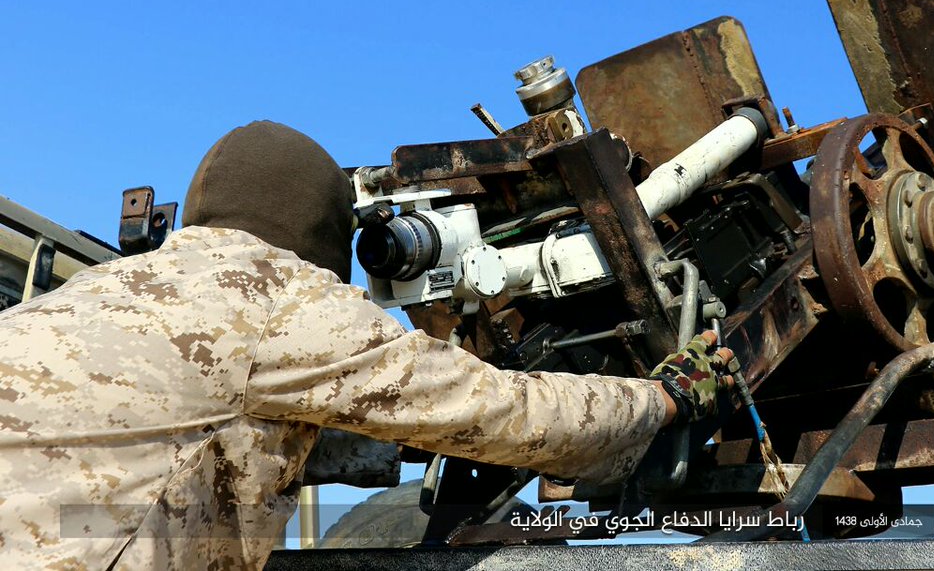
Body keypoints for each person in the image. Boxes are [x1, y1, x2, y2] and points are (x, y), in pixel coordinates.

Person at [0, 121, 732, 569]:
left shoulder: (93, 296)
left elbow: (174, 464)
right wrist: (666, 395)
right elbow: (515, 415)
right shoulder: (280, 301)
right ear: (320, 231)